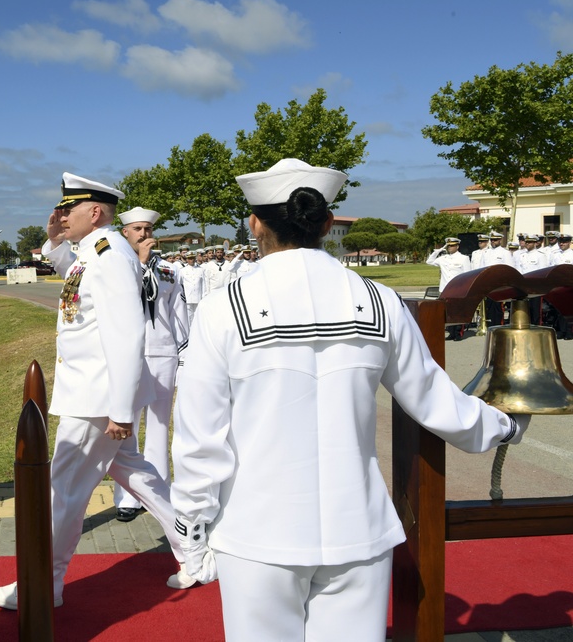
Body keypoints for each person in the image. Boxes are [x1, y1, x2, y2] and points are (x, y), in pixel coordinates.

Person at [170, 158, 528, 642]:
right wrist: (505, 425)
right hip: (357, 527)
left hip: (257, 531)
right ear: (326, 223)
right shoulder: (379, 300)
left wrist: (192, 532)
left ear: (255, 223)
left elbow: (199, 440)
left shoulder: (221, 309)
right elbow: (433, 400)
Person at [0, 173, 196, 611]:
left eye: (69, 209)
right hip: (93, 393)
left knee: (62, 490)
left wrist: (120, 409)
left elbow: (126, 332)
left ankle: (43, 583)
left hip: (98, 399)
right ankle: (195, 550)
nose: (62, 215)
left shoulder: (110, 253)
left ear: (94, 211)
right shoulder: (93, 252)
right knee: (137, 475)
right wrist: (53, 239)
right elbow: (72, 279)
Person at [111, 207, 189, 522]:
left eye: (147, 229)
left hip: (163, 352)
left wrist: (184, 354)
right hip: (129, 354)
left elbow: (178, 315)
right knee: (126, 424)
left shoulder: (170, 271)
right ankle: (128, 496)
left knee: (159, 426)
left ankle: (158, 493)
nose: (144, 234)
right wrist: (139, 264)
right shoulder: (117, 269)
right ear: (125, 233)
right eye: (137, 229)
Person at [426, 236, 472, 340]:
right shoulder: (443, 258)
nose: (450, 248)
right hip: (445, 288)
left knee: (457, 312)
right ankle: (451, 333)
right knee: (447, 312)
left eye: (452, 246)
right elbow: (429, 262)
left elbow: (467, 274)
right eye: (448, 246)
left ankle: (458, 333)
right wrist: (436, 252)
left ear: (457, 246)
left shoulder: (463, 258)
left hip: (457, 289)